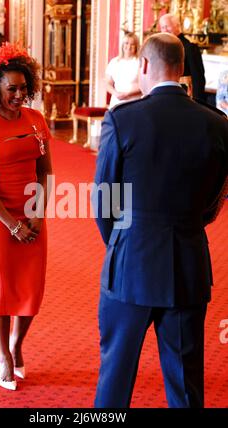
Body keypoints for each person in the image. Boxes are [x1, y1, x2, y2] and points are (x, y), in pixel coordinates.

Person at [93, 33, 228, 408]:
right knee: (185, 386)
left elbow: (103, 201)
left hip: (130, 265)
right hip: (187, 265)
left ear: (145, 66)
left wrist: (123, 240)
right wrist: (189, 223)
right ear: (182, 69)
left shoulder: (123, 120)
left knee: (115, 382)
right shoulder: (217, 126)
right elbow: (218, 196)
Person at [0, 42, 53, 391]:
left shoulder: (37, 120)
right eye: (11, 89)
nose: (19, 95)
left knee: (32, 289)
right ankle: (3, 354)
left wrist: (37, 215)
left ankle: (18, 343)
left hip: (33, 213)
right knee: (3, 288)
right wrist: (13, 224)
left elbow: (47, 172)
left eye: (22, 88)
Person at [159, 13, 206, 101]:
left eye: (167, 26)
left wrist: (198, 101)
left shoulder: (190, 46)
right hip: (165, 94)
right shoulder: (161, 47)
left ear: (177, 25)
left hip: (185, 94)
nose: (165, 30)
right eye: (162, 27)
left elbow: (198, 77)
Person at [105, 32, 141, 109]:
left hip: (134, 102)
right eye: (126, 43)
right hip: (117, 102)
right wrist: (116, 93)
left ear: (136, 47)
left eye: (132, 44)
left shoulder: (140, 62)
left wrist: (128, 94)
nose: (129, 46)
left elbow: (144, 84)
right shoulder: (114, 62)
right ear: (122, 45)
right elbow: (107, 83)